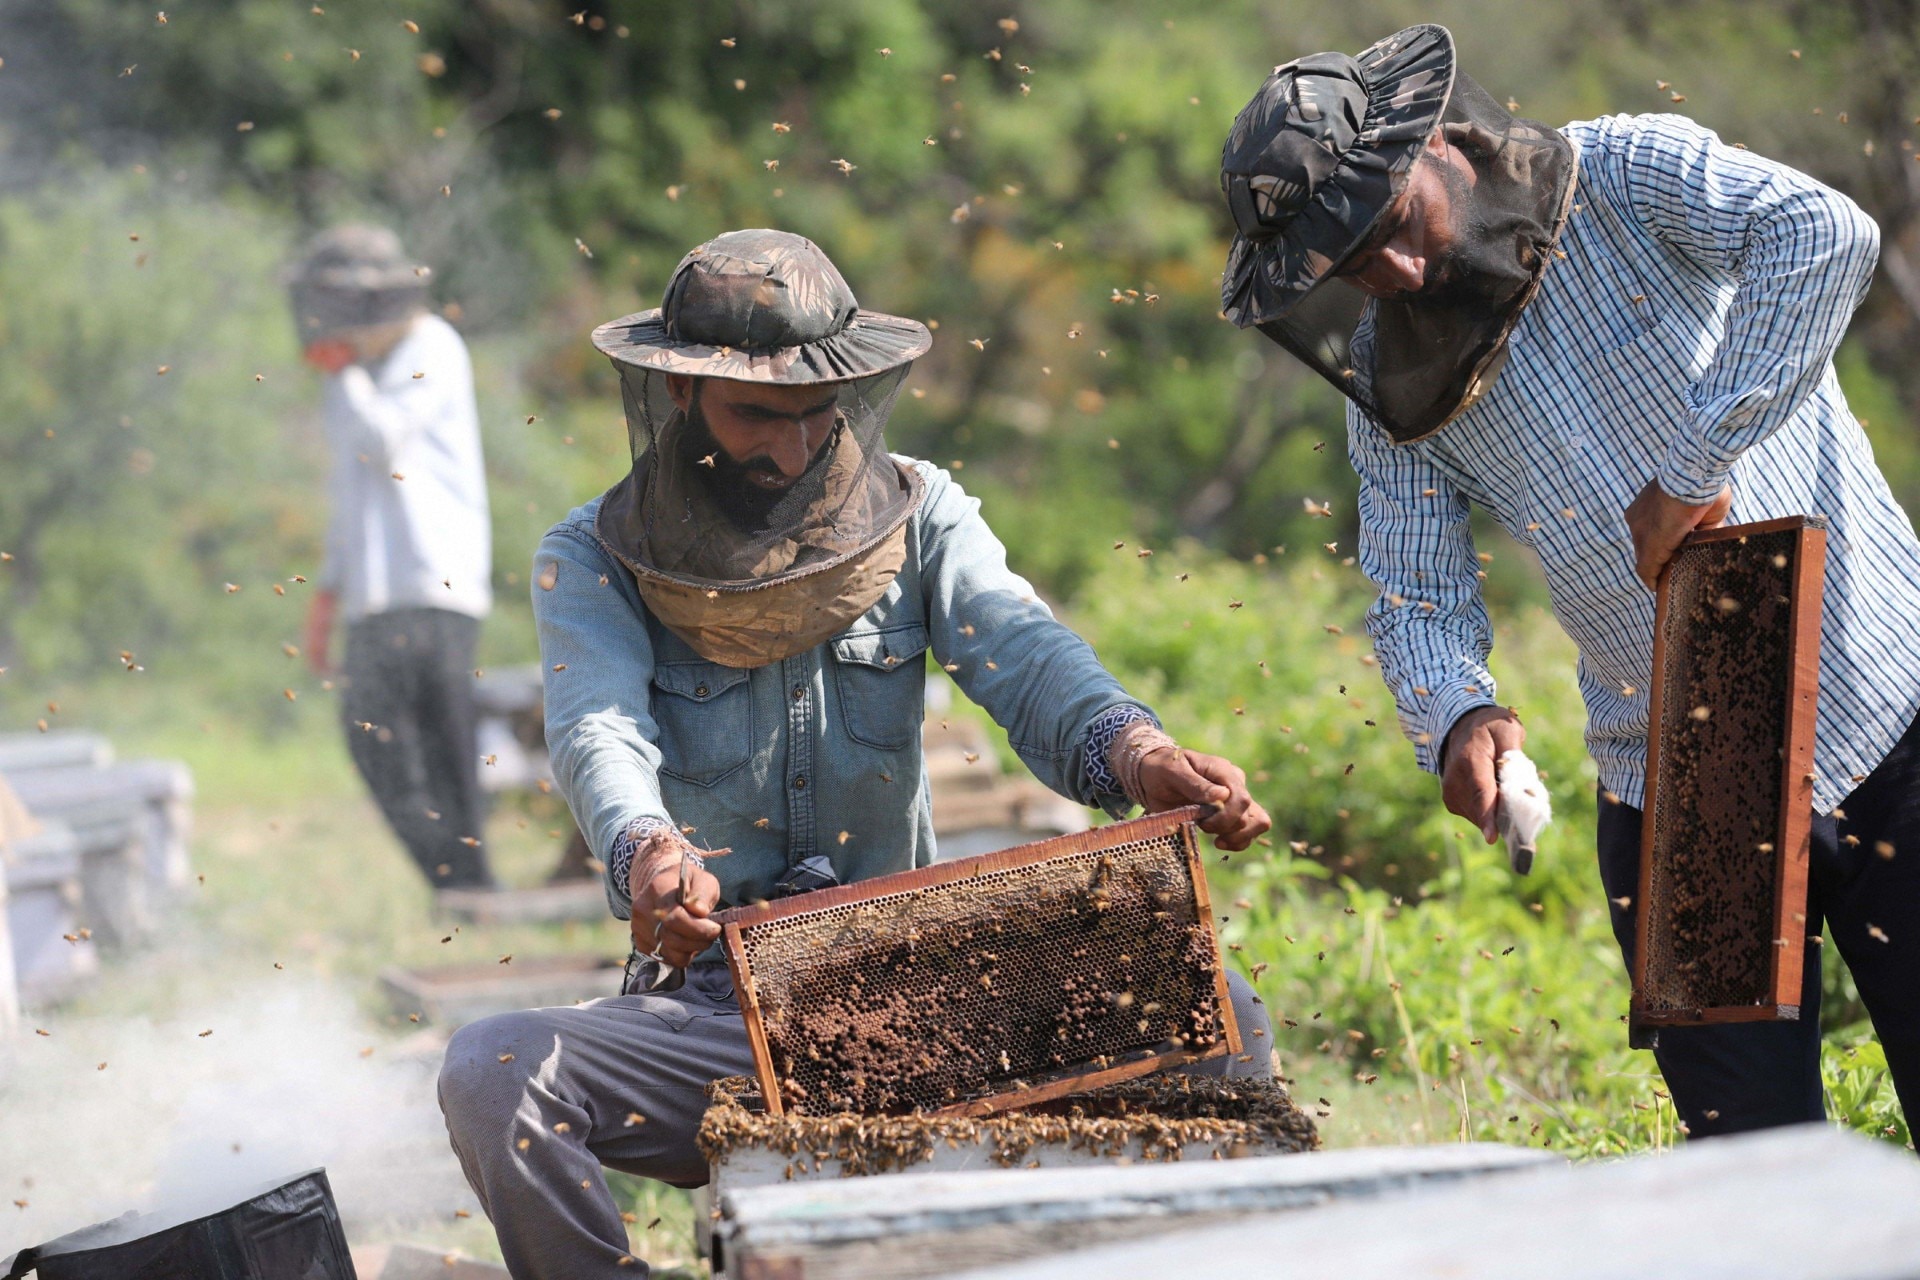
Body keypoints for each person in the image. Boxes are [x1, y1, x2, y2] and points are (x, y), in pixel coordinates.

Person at [436, 229, 1274, 1278]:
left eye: (812, 417)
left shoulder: (923, 513)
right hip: (720, 1010)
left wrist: (1136, 748)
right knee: (493, 1068)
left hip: (934, 980)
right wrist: (647, 848)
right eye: (754, 415)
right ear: (684, 393)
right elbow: (597, 727)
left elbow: (1025, 651)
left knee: (1220, 1006)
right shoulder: (591, 554)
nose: (786, 452)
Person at [1217, 23, 1920, 1138]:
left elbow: (1826, 233)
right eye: (1353, 263)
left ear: (1439, 143)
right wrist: (1457, 714)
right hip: (1681, 774)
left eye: (1393, 226)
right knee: (1751, 1169)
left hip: (1884, 712)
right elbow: (1413, 589)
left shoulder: (1629, 172)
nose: (1393, 271)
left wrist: (1695, 466)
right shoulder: (1390, 375)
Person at [291, 225, 495, 892]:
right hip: (375, 594)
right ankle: (454, 884)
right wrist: (327, 593)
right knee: (372, 739)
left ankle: (472, 891)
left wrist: (344, 370)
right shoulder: (352, 374)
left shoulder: (432, 346)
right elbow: (351, 494)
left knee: (442, 752)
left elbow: (381, 442)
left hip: (433, 580)